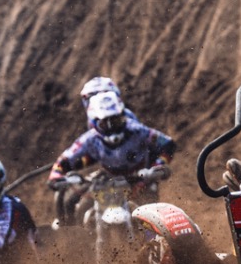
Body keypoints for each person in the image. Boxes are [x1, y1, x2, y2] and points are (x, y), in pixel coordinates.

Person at [47, 89, 175, 227]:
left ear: (122, 116)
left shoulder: (137, 130)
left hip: (139, 179)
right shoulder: (90, 139)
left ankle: (157, 235)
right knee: (74, 203)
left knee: (150, 211)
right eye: (104, 123)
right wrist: (56, 177)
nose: (111, 128)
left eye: (115, 121)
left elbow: (168, 145)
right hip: (108, 181)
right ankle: (74, 234)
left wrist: (157, 166)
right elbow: (63, 161)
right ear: (94, 123)